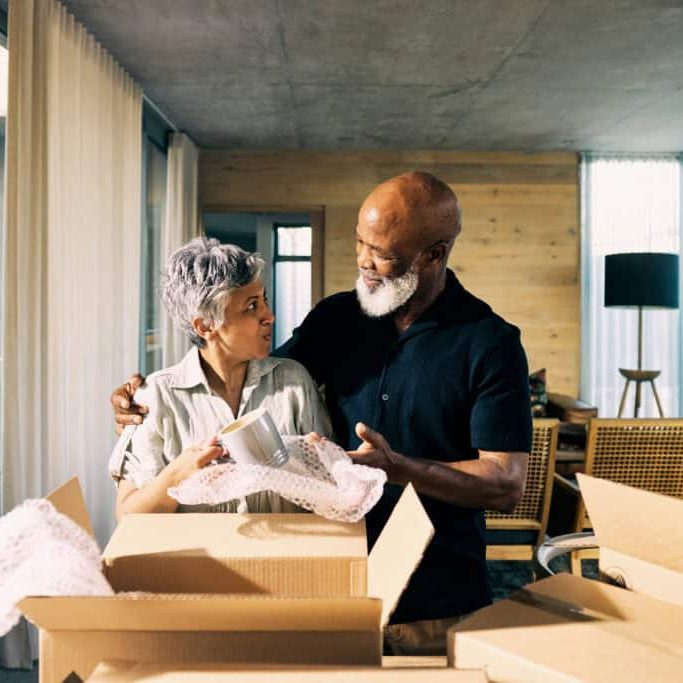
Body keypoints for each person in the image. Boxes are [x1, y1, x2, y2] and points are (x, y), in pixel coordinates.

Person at [112, 172, 531, 654]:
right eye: (359, 242)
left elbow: (505, 483)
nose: (364, 262)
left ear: (433, 254)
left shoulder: (490, 343)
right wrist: (137, 400)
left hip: (438, 596)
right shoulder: (337, 318)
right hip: (331, 589)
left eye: (383, 254)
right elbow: (253, 375)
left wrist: (398, 469)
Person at [110, 238, 332, 519]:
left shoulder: (294, 383)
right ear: (205, 326)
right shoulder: (156, 397)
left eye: (264, 300)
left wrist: (316, 467)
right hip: (195, 563)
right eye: (252, 307)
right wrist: (179, 472)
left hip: (283, 560)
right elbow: (127, 516)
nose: (269, 316)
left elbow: (331, 496)